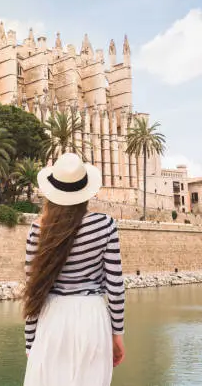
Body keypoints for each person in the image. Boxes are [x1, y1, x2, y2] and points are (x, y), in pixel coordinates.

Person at [23, 153, 125, 386]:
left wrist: (31, 342)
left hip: (52, 319)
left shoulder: (37, 229)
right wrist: (117, 334)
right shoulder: (105, 225)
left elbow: (33, 290)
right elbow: (116, 286)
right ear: (85, 190)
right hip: (93, 319)